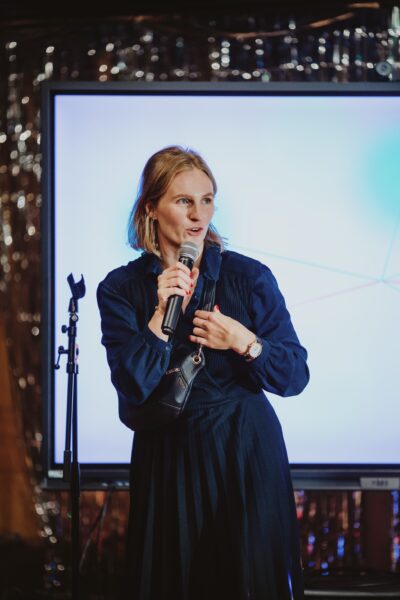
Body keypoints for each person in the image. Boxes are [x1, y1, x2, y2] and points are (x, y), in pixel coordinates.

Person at [96, 145, 310, 600]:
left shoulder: (248, 277)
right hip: (167, 459)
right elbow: (131, 385)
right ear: (150, 207)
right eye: (184, 201)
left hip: (243, 451)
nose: (198, 214)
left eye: (207, 200)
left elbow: (294, 376)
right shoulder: (120, 288)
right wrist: (159, 316)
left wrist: (244, 341)